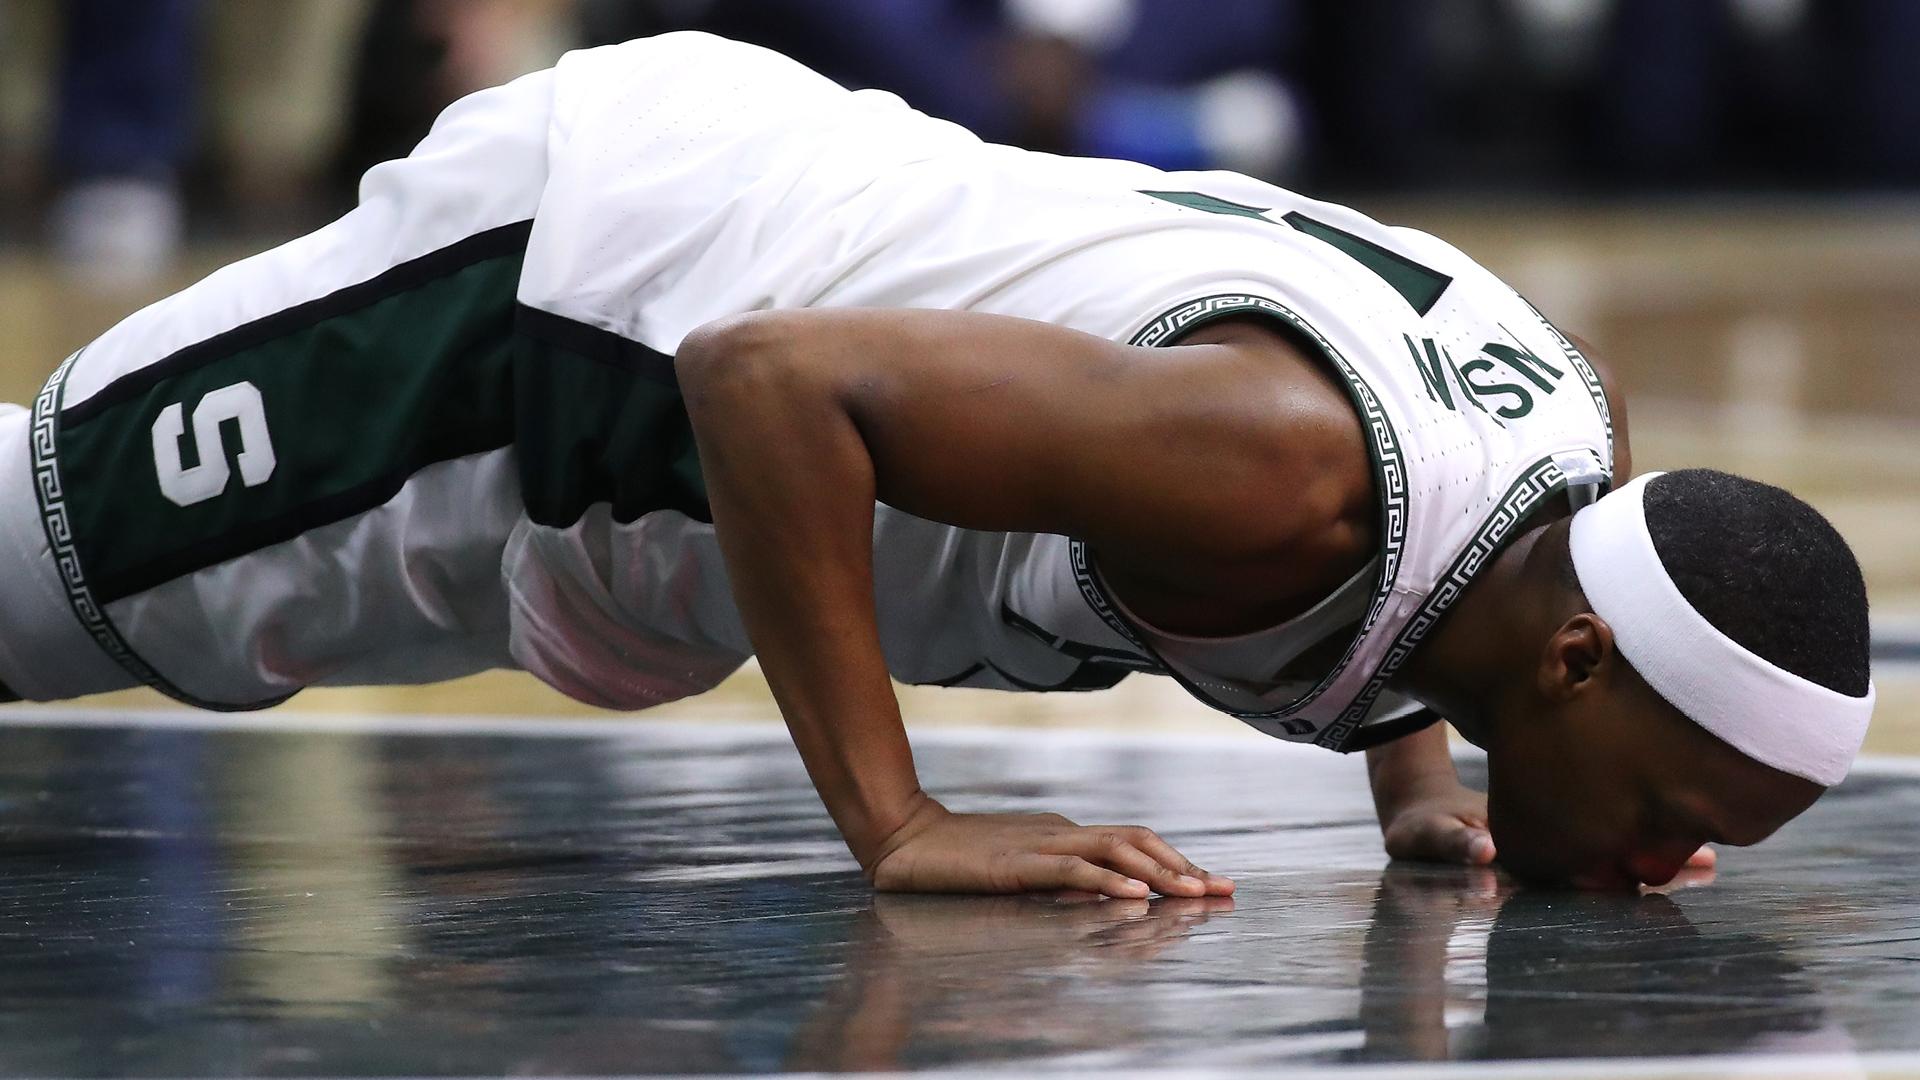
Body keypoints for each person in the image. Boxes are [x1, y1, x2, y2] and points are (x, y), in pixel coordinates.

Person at [0, 33, 1874, 896]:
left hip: (718, 309)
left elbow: (1453, 568)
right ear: (1573, 665)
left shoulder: (1573, 443)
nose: (1673, 855)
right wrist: (901, 825)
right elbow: (772, 386)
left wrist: (1411, 792)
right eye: (1668, 806)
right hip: (575, 309)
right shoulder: (1286, 473)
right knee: (35, 582)